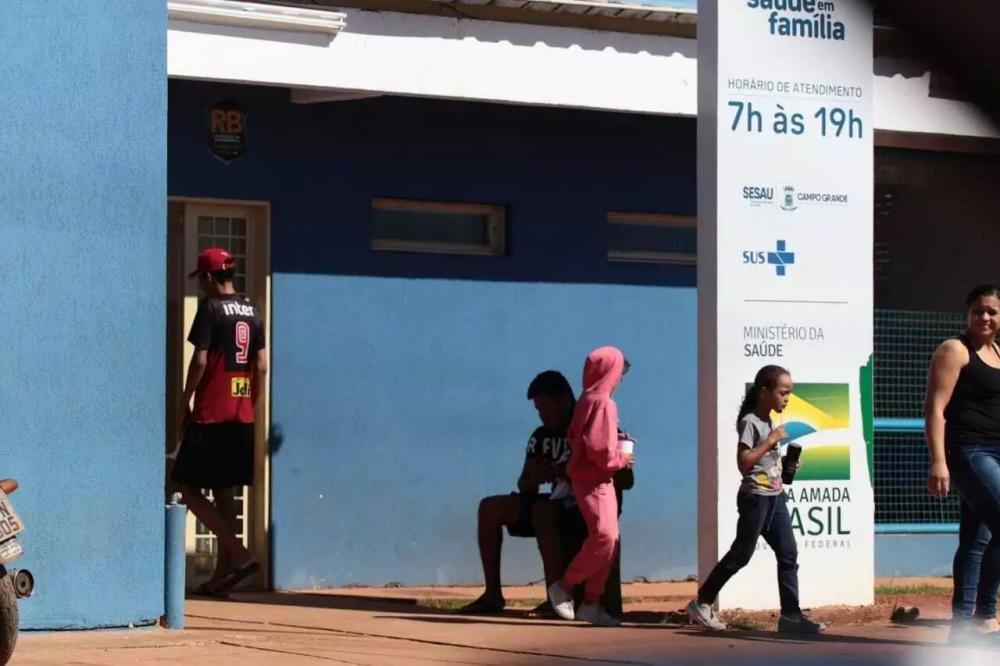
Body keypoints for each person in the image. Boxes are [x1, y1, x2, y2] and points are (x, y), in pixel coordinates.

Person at [686, 365, 824, 634]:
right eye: (783, 392)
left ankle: (791, 616)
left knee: (788, 553)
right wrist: (769, 441)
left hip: (775, 497)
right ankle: (701, 602)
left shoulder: (769, 420)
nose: (787, 398)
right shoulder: (750, 421)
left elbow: (765, 462)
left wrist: (786, 465)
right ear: (764, 391)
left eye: (789, 394)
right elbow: (744, 463)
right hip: (755, 499)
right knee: (741, 554)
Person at [172, 247, 266, 597]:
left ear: (210, 278)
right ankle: (221, 577)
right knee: (225, 491)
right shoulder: (253, 312)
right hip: (241, 417)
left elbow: (199, 360)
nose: (202, 287)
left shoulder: (211, 309)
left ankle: (239, 553)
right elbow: (261, 365)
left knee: (184, 485)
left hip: (211, 414)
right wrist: (250, 402)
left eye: (202, 281)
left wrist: (184, 401)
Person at [460, 371, 578, 615]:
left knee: (543, 511)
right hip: (550, 503)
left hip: (580, 506)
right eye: (538, 409)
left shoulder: (586, 428)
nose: (542, 415)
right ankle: (492, 594)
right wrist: (536, 477)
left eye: (546, 407)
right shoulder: (541, 436)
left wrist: (566, 472)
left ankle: (556, 599)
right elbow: (525, 485)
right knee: (489, 507)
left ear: (565, 400)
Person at [925, 284, 1000, 642]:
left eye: (992, 311)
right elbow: (935, 409)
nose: (984, 317)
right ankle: (985, 616)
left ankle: (960, 627)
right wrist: (939, 460)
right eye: (977, 310)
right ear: (967, 313)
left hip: (997, 453)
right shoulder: (955, 350)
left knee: (975, 540)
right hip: (970, 453)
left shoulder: (999, 352)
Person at [548, 347, 634, 627]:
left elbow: (582, 439)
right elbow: (601, 450)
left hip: (592, 479)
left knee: (609, 539)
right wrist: (622, 458)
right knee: (606, 537)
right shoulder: (603, 404)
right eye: (619, 372)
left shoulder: (588, 399)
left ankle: (591, 603)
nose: (620, 379)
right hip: (595, 480)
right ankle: (565, 585)